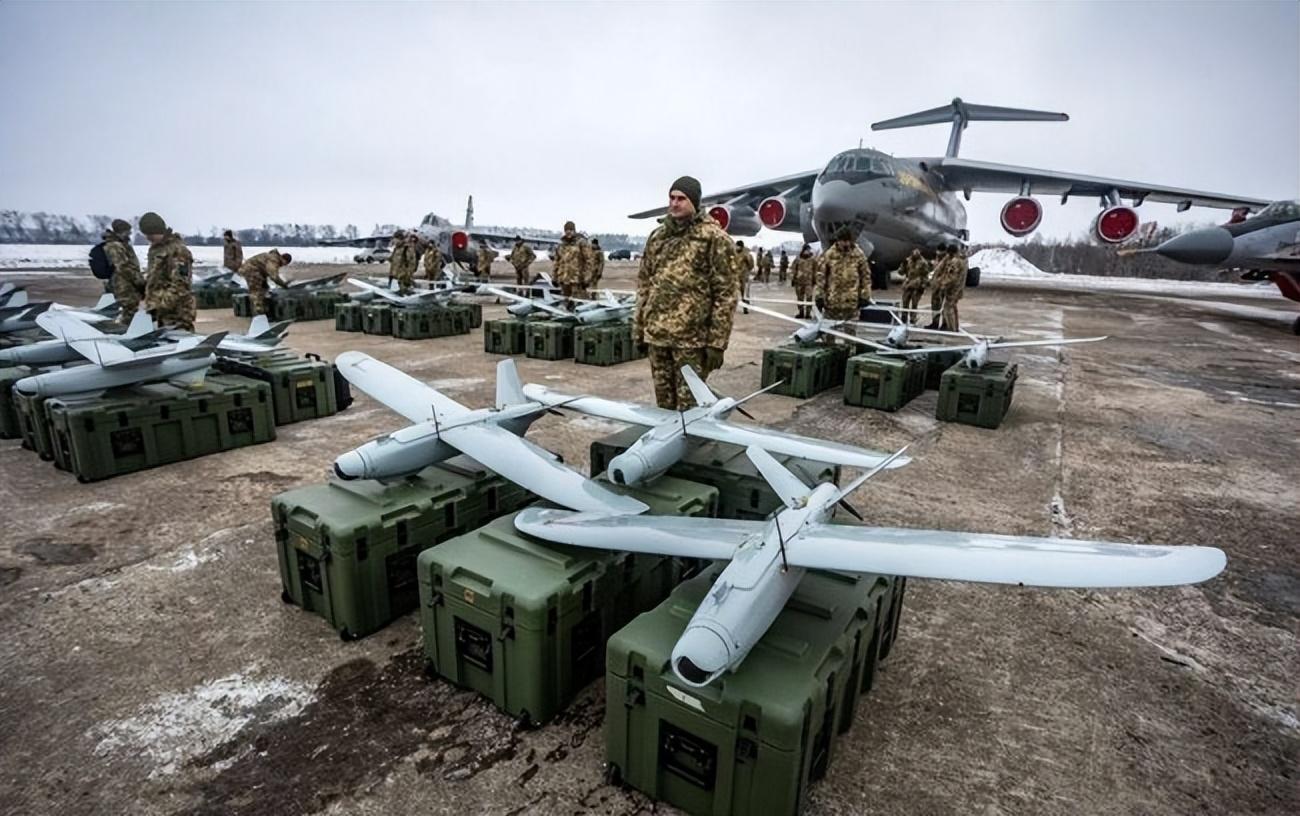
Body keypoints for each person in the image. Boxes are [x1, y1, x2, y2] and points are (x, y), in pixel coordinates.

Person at [634, 176, 737, 410]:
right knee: (664, 407)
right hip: (658, 336)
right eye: (671, 198)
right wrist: (639, 329)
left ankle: (692, 446)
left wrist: (717, 343)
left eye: (681, 198)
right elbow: (644, 285)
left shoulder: (713, 238)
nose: (675, 203)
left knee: (690, 409)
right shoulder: (658, 237)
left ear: (695, 202)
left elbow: (726, 294)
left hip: (691, 341)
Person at [139, 211, 196, 331]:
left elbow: (181, 286)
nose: (148, 238)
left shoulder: (178, 251)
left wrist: (158, 304)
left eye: (150, 234)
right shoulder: (156, 249)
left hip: (177, 313)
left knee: (178, 345)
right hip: (160, 313)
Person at [818, 227, 871, 333]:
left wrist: (865, 295)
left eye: (848, 240)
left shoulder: (858, 255)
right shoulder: (829, 255)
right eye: (843, 241)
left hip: (851, 303)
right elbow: (821, 276)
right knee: (828, 333)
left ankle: (848, 349)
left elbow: (866, 276)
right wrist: (819, 296)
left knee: (850, 335)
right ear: (838, 241)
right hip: (832, 302)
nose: (845, 244)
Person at [103, 218, 144, 322]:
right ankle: (125, 332)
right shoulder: (114, 246)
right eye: (127, 231)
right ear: (120, 231)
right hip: (123, 284)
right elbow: (123, 267)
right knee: (130, 309)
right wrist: (138, 280)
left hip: (128, 283)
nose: (129, 234)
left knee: (132, 309)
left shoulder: (122, 244)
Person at [240, 249, 292, 316]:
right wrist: (283, 285)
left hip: (258, 271)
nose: (283, 265)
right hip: (251, 270)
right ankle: (258, 313)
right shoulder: (274, 260)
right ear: (283, 259)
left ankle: (263, 309)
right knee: (256, 291)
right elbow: (273, 276)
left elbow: (267, 271)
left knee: (265, 288)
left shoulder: (274, 258)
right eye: (285, 263)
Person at [552, 220, 589, 299]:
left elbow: (589, 261)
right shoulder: (561, 245)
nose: (568, 232)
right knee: (565, 302)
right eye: (566, 230)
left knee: (577, 303)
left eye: (571, 230)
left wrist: (587, 278)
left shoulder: (581, 243)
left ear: (574, 231)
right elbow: (556, 262)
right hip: (564, 279)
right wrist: (554, 277)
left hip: (576, 280)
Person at [897, 248, 932, 323]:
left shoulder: (923, 262)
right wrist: (903, 265)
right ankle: (904, 318)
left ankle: (913, 318)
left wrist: (923, 285)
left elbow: (925, 275)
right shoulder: (907, 261)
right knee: (905, 302)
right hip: (908, 284)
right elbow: (901, 272)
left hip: (917, 285)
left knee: (914, 303)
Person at [790, 244, 817, 318]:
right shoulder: (798, 259)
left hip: (809, 282)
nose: (807, 252)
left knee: (809, 298)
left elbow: (815, 270)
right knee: (800, 298)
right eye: (806, 250)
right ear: (803, 250)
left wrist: (815, 280)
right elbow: (793, 269)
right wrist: (793, 279)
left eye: (809, 250)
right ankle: (801, 312)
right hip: (799, 282)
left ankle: (808, 314)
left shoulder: (813, 260)